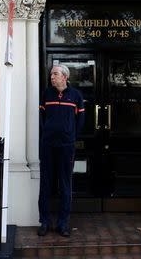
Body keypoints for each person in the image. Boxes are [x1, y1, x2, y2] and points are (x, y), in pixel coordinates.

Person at [38, 64, 85, 237]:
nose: (52, 77)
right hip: (48, 146)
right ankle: (44, 222)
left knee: (65, 185)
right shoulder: (46, 94)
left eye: (55, 74)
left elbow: (80, 121)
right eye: (51, 74)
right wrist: (47, 133)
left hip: (66, 147)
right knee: (45, 184)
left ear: (65, 77)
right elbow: (42, 118)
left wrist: (70, 136)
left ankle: (63, 224)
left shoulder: (76, 96)